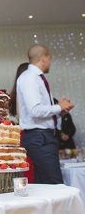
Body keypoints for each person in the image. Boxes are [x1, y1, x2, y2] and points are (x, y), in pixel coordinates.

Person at [16, 44, 74, 184]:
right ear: (43, 58)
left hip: (43, 136)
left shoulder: (37, 78)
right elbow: (34, 111)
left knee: (44, 184)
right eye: (49, 58)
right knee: (55, 184)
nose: (49, 62)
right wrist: (57, 106)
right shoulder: (30, 77)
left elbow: (40, 114)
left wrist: (59, 112)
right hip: (39, 137)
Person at [9, 62, 34, 183]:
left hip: (20, 132)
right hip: (26, 131)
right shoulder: (22, 91)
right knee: (28, 164)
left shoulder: (15, 92)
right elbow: (20, 114)